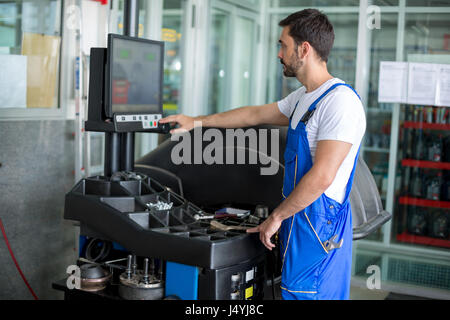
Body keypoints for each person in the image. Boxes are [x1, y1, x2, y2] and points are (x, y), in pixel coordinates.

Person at [159, 9, 366, 300]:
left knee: (309, 294)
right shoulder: (305, 97)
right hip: (301, 220)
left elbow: (322, 176)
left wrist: (276, 218)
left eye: (283, 45)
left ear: (303, 49)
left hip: (318, 228)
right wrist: (195, 122)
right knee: (292, 291)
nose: (279, 53)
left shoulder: (340, 103)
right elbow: (254, 114)